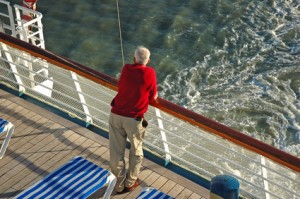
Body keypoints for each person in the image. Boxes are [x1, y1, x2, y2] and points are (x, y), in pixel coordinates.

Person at [109, 46, 158, 193]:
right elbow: (153, 96)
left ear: (133, 58)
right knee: (136, 151)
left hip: (116, 115)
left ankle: (118, 185)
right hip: (134, 119)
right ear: (148, 60)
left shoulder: (126, 69)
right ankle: (130, 182)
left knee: (116, 152)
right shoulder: (150, 72)